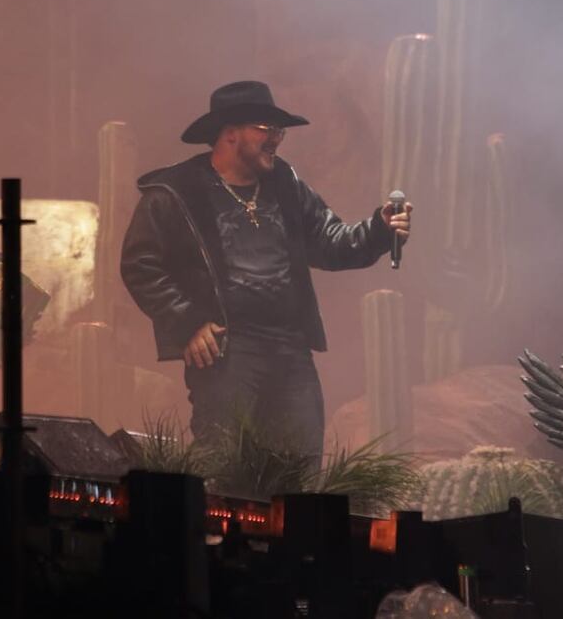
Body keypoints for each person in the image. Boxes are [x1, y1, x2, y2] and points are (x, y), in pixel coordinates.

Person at [120, 80, 413, 459]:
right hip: (228, 352)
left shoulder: (285, 184)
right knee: (225, 468)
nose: (277, 138)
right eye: (266, 128)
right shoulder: (175, 192)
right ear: (229, 133)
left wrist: (379, 230)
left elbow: (330, 240)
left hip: (290, 349)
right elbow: (139, 264)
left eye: (279, 130)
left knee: (299, 468)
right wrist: (187, 321)